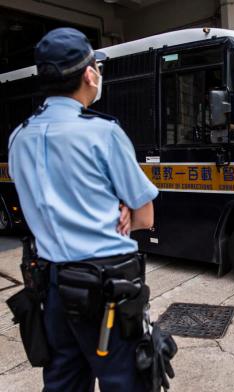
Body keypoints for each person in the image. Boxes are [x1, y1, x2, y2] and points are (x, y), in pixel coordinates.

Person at [8, 28, 158, 392]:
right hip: (108, 289)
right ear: (90, 74)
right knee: (127, 380)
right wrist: (121, 206)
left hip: (52, 287)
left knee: (63, 381)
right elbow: (145, 217)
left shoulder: (19, 136)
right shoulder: (103, 132)